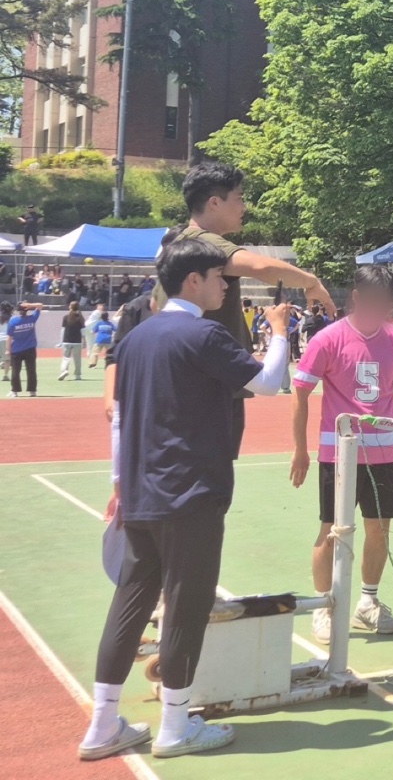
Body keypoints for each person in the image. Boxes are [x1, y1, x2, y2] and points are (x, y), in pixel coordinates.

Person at [78, 239, 290, 761]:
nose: (225, 286)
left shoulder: (137, 338)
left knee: (129, 605)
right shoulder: (203, 333)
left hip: (141, 493)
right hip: (190, 493)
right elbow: (268, 383)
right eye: (219, 277)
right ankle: (175, 726)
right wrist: (280, 333)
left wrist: (119, 483)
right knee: (185, 608)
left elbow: (119, 417)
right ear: (194, 280)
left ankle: (102, 725)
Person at [151, 162, 336, 459]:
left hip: (180, 385)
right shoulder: (205, 242)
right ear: (214, 202)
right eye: (239, 198)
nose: (244, 206)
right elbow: (262, 267)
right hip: (208, 391)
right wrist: (311, 282)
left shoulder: (176, 243)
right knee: (208, 477)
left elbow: (152, 305)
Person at [290, 265, 393, 644]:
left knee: (379, 528)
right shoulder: (328, 338)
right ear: (356, 297)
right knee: (332, 529)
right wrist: (300, 449)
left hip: (383, 453)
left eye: (387, 302)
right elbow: (300, 393)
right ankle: (323, 605)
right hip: (340, 453)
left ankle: (368, 602)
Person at [6, 300, 42, 398]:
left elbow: (9, 337)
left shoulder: (13, 321)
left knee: (15, 371)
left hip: (16, 350)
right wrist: (30, 305)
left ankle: (15, 391)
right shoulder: (32, 318)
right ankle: (32, 391)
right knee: (31, 370)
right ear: (27, 310)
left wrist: (8, 349)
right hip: (30, 349)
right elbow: (40, 305)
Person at [59, 300, 86, 381]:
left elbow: (63, 330)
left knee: (66, 357)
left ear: (70, 307)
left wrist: (60, 341)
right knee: (77, 359)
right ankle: (77, 375)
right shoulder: (80, 318)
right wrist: (84, 341)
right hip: (77, 341)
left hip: (66, 340)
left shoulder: (66, 317)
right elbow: (83, 331)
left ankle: (64, 370)